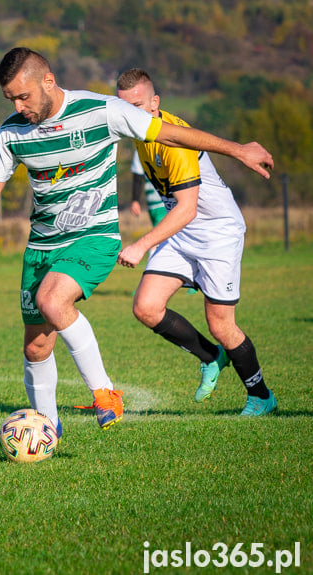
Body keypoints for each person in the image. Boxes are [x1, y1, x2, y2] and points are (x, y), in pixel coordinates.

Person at [0, 48, 273, 437]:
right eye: (10, 98)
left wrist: (238, 149)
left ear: (48, 81)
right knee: (36, 348)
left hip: (93, 237)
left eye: (23, 95)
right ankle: (48, 430)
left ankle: (105, 392)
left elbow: (173, 133)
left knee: (52, 299)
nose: (18, 105)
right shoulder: (11, 133)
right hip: (42, 246)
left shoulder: (103, 111)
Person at [115, 68, 277, 416]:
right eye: (124, 108)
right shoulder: (137, 133)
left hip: (217, 233)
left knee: (221, 324)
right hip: (182, 232)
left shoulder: (175, 143)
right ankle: (210, 357)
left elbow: (187, 209)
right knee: (146, 307)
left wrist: (141, 245)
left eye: (139, 106)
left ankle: (262, 396)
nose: (130, 114)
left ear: (155, 103)